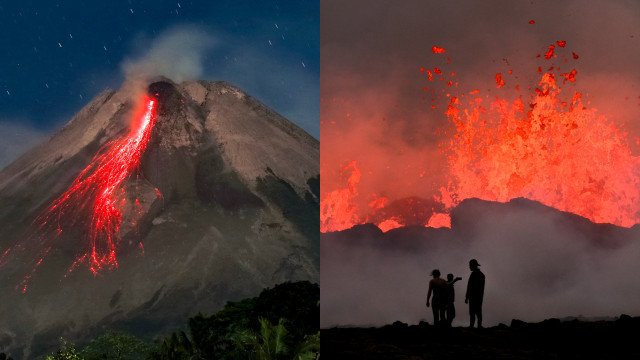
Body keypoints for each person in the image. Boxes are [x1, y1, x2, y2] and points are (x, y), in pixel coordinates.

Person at [465, 259, 485, 328]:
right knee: (478, 311)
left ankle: (472, 326)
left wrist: (467, 297)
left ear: (473, 266)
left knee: (473, 312)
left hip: (474, 297)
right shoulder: (482, 275)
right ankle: (478, 325)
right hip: (478, 297)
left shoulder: (474, 275)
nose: (469, 267)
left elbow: (470, 286)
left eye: (470, 265)